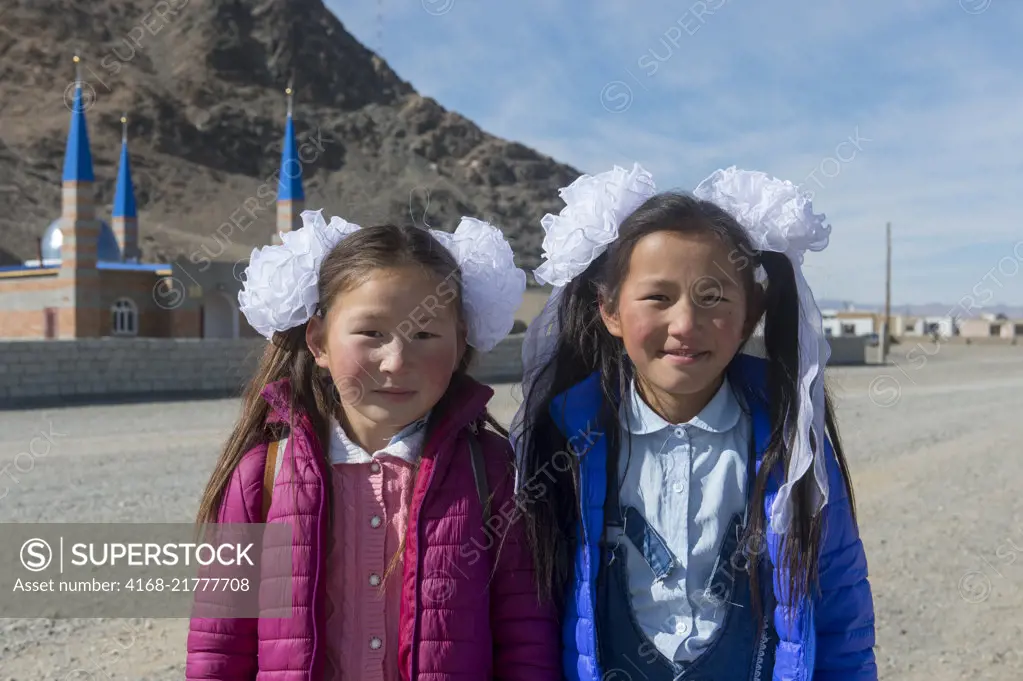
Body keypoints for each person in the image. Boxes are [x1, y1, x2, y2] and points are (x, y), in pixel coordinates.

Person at [511, 164, 877, 681]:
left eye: (713, 298)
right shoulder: (563, 445)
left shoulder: (794, 449)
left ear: (750, 315)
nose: (685, 324)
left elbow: (841, 607)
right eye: (658, 297)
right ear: (610, 311)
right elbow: (527, 617)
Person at [186, 210, 561, 680]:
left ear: (461, 342)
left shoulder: (491, 470)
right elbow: (220, 643)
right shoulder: (262, 476)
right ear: (319, 342)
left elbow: (526, 637)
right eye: (371, 333)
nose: (396, 360)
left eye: (425, 334)